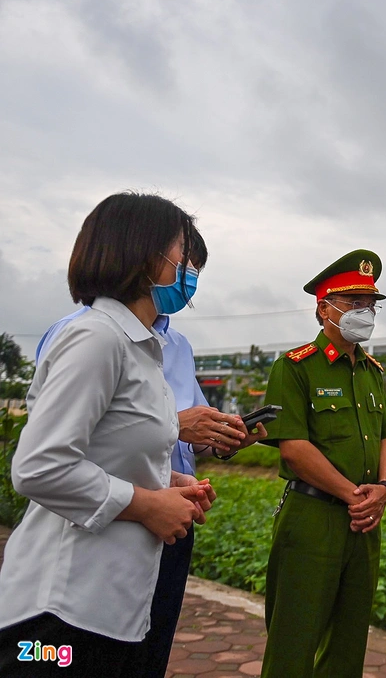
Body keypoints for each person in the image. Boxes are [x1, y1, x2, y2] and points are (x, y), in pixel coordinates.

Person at [32, 228, 267, 678]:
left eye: (196, 267)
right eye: (185, 263)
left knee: (145, 652)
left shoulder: (176, 347)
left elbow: (185, 430)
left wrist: (221, 435)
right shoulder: (82, 335)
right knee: (62, 655)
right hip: (97, 528)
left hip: (168, 522)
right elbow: (52, 455)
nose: (191, 277)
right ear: (141, 259)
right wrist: (174, 431)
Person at [0, 192, 215, 677]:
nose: (188, 267)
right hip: (57, 617)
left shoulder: (144, 349)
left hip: (112, 605)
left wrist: (170, 486)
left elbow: (114, 453)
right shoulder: (96, 337)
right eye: (181, 251)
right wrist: (147, 503)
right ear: (144, 255)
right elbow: (39, 466)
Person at [260, 250, 386, 678]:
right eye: (354, 304)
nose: (365, 313)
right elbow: (293, 448)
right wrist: (353, 495)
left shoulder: (372, 371)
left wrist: (385, 489)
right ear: (324, 309)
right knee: (294, 640)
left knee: (349, 642)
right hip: (313, 518)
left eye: (370, 305)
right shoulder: (295, 366)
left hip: (363, 524)